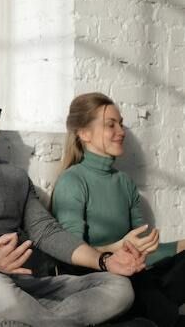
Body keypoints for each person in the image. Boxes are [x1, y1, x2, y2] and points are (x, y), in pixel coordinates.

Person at [0, 76, 147, 326]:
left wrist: (104, 259)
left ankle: (39, 320)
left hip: (28, 286)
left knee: (117, 285)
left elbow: (47, 231)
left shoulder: (13, 176)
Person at [52, 92, 185, 327]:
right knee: (150, 301)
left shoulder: (124, 182)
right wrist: (115, 251)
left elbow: (143, 251)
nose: (121, 132)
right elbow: (70, 254)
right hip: (98, 282)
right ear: (84, 133)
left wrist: (180, 246)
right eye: (110, 125)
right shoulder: (73, 181)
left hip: (133, 274)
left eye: (121, 124)